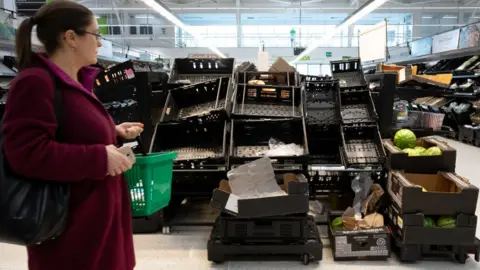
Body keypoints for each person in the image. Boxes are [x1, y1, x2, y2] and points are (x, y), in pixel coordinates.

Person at [3, 1, 141, 269]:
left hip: (98, 220)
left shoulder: (74, 83)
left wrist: (112, 133)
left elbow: (70, 131)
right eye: (95, 35)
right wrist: (99, 157)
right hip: (72, 230)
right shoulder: (35, 83)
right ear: (70, 38)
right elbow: (26, 153)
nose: (100, 44)